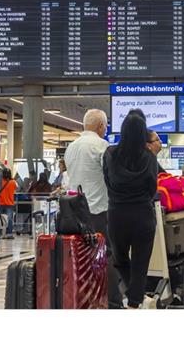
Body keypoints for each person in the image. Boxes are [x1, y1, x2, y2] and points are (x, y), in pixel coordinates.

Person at [64, 108, 123, 309]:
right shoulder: (101, 145)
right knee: (107, 255)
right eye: (105, 126)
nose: (105, 130)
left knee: (82, 257)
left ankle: (84, 298)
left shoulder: (71, 147)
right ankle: (113, 301)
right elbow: (112, 177)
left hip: (74, 212)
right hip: (99, 209)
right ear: (100, 127)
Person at [102, 112, 159, 310]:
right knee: (141, 264)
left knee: (119, 259)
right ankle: (136, 301)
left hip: (117, 213)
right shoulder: (149, 158)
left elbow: (107, 180)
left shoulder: (110, 154)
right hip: (143, 214)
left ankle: (135, 298)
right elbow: (153, 187)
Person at [0, 167, 16, 240]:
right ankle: (9, 233)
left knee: (0, 219)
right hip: (10, 204)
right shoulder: (13, 182)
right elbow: (14, 189)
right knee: (9, 219)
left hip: (0, 203)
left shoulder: (0, 181)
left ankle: (0, 234)